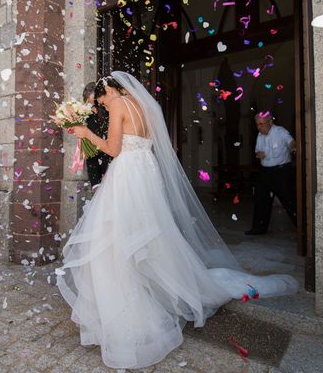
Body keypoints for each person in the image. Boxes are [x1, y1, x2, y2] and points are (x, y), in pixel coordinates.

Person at [58, 72, 298, 370]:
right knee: (149, 236)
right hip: (144, 173)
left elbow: (113, 150)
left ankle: (126, 309)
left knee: (116, 239)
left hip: (127, 178)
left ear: (108, 89)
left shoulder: (119, 103)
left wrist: (86, 133)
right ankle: (151, 288)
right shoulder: (143, 105)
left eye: (102, 100)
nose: (103, 107)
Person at [245, 113, 297, 235]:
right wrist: (259, 155)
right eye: (257, 124)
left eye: (261, 124)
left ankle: (302, 229)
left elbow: (291, 142)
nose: (259, 127)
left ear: (270, 122)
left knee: (289, 200)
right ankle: (259, 228)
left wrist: (294, 147)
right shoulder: (260, 135)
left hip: (281, 172)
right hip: (265, 172)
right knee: (260, 199)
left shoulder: (280, 131)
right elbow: (257, 152)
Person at [82, 82, 111, 189]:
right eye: (89, 105)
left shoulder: (109, 113)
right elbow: (90, 154)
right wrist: (95, 183)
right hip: (94, 158)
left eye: (96, 104)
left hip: (110, 158)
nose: (93, 108)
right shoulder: (85, 116)